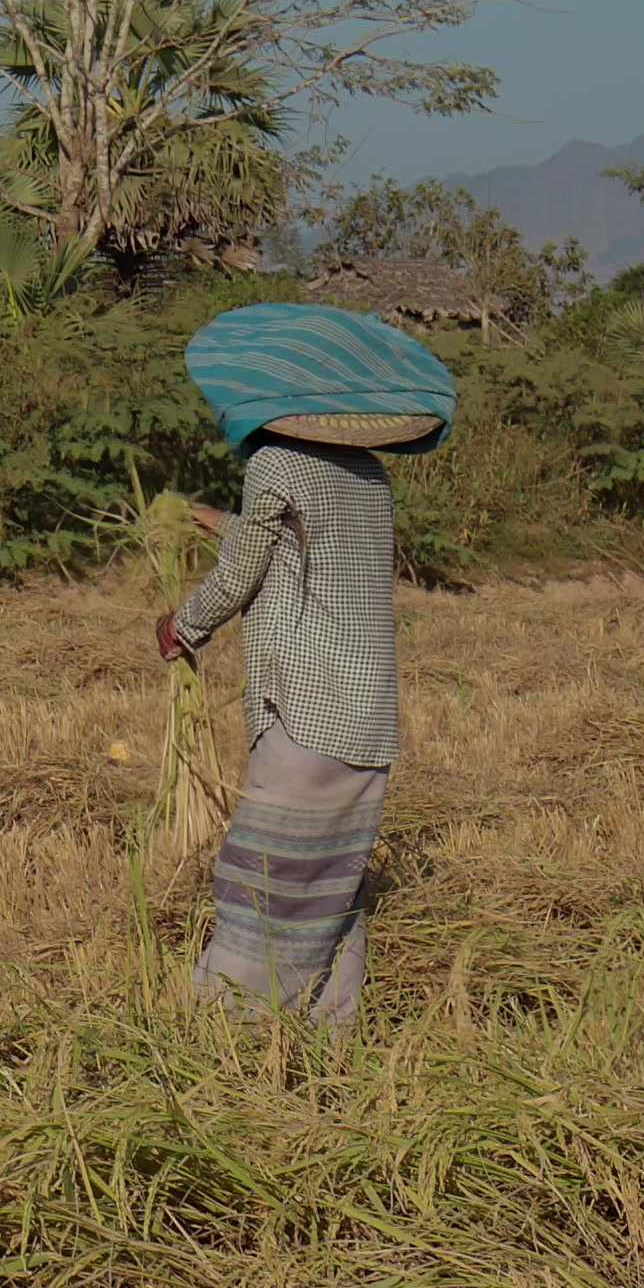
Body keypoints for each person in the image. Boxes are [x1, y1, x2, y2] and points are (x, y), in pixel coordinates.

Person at [155, 301, 458, 1027]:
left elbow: (241, 575)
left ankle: (226, 1028)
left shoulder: (275, 462)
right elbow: (296, 542)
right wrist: (209, 517)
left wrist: (183, 627)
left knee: (267, 882)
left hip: (308, 712)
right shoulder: (367, 475)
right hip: (368, 720)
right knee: (332, 883)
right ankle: (331, 1038)